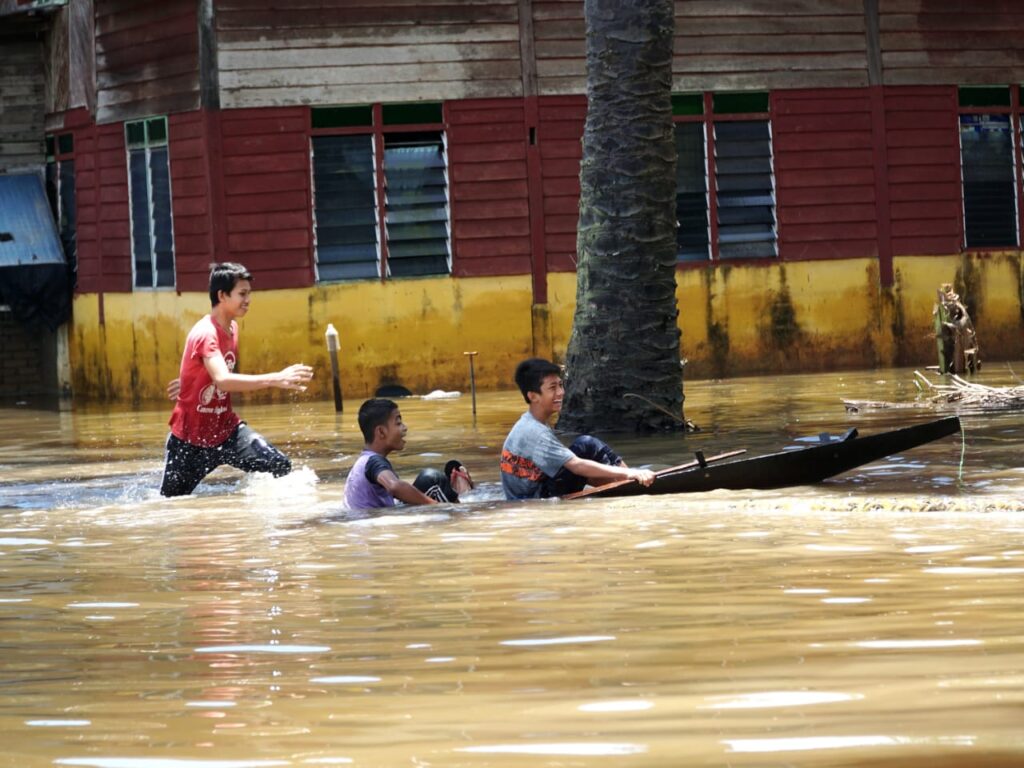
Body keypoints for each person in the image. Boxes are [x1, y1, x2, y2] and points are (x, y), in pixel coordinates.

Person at [160, 262, 314, 497]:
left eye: (249, 294)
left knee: (279, 467)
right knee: (171, 504)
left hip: (227, 431)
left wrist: (193, 379)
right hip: (190, 441)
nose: (248, 300)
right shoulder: (206, 333)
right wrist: (277, 378)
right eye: (242, 294)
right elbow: (222, 379)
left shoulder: (232, 328)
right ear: (222, 295)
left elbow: (214, 372)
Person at [500, 358, 655, 500]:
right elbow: (577, 465)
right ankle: (634, 482)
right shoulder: (535, 432)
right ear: (533, 396)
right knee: (587, 445)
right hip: (536, 500)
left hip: (533, 492)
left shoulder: (529, 423)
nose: (560, 392)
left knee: (586, 448)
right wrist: (630, 472)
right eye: (552, 388)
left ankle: (629, 484)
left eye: (560, 385)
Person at [345, 398, 473, 510]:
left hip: (372, 519)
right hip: (375, 526)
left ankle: (458, 494)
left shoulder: (364, 460)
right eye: (398, 423)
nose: (405, 428)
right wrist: (434, 505)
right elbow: (394, 486)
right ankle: (461, 509)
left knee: (427, 482)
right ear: (381, 432)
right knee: (433, 479)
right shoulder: (374, 462)